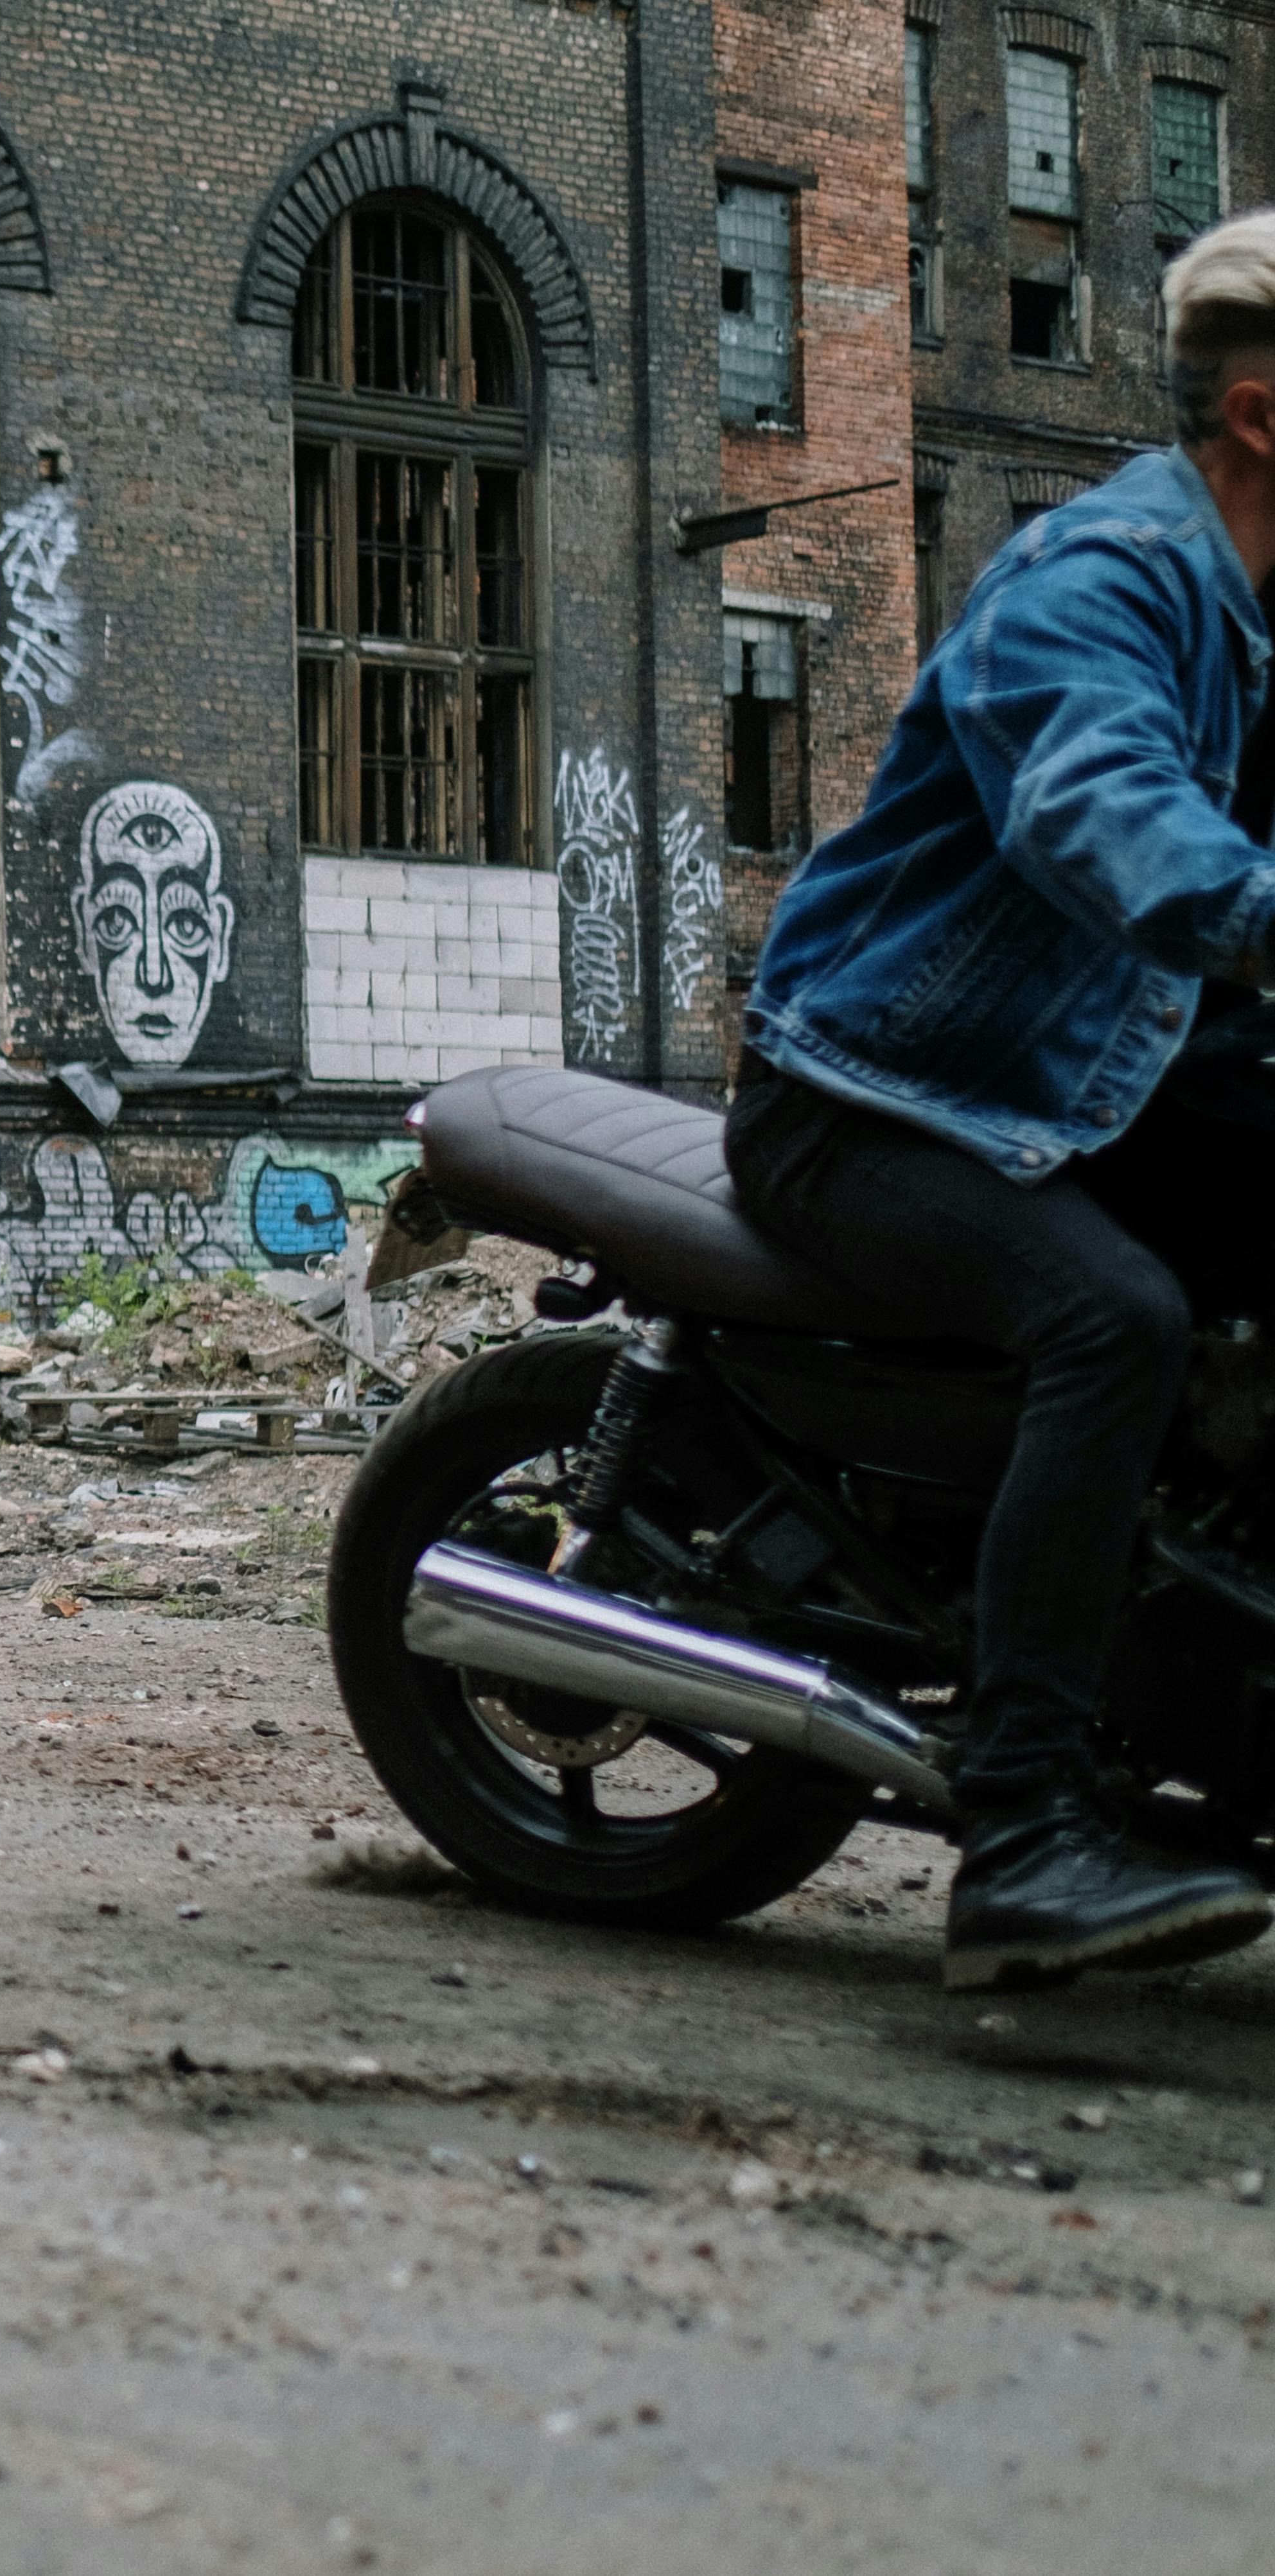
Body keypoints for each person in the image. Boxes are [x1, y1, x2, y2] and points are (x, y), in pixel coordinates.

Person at [727, 210, 1275, 1992]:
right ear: (1262, 414)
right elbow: (1110, 813)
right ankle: (1026, 1831)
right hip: (882, 1095)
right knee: (1115, 1321)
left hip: (1087, 1084)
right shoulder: (1099, 583)